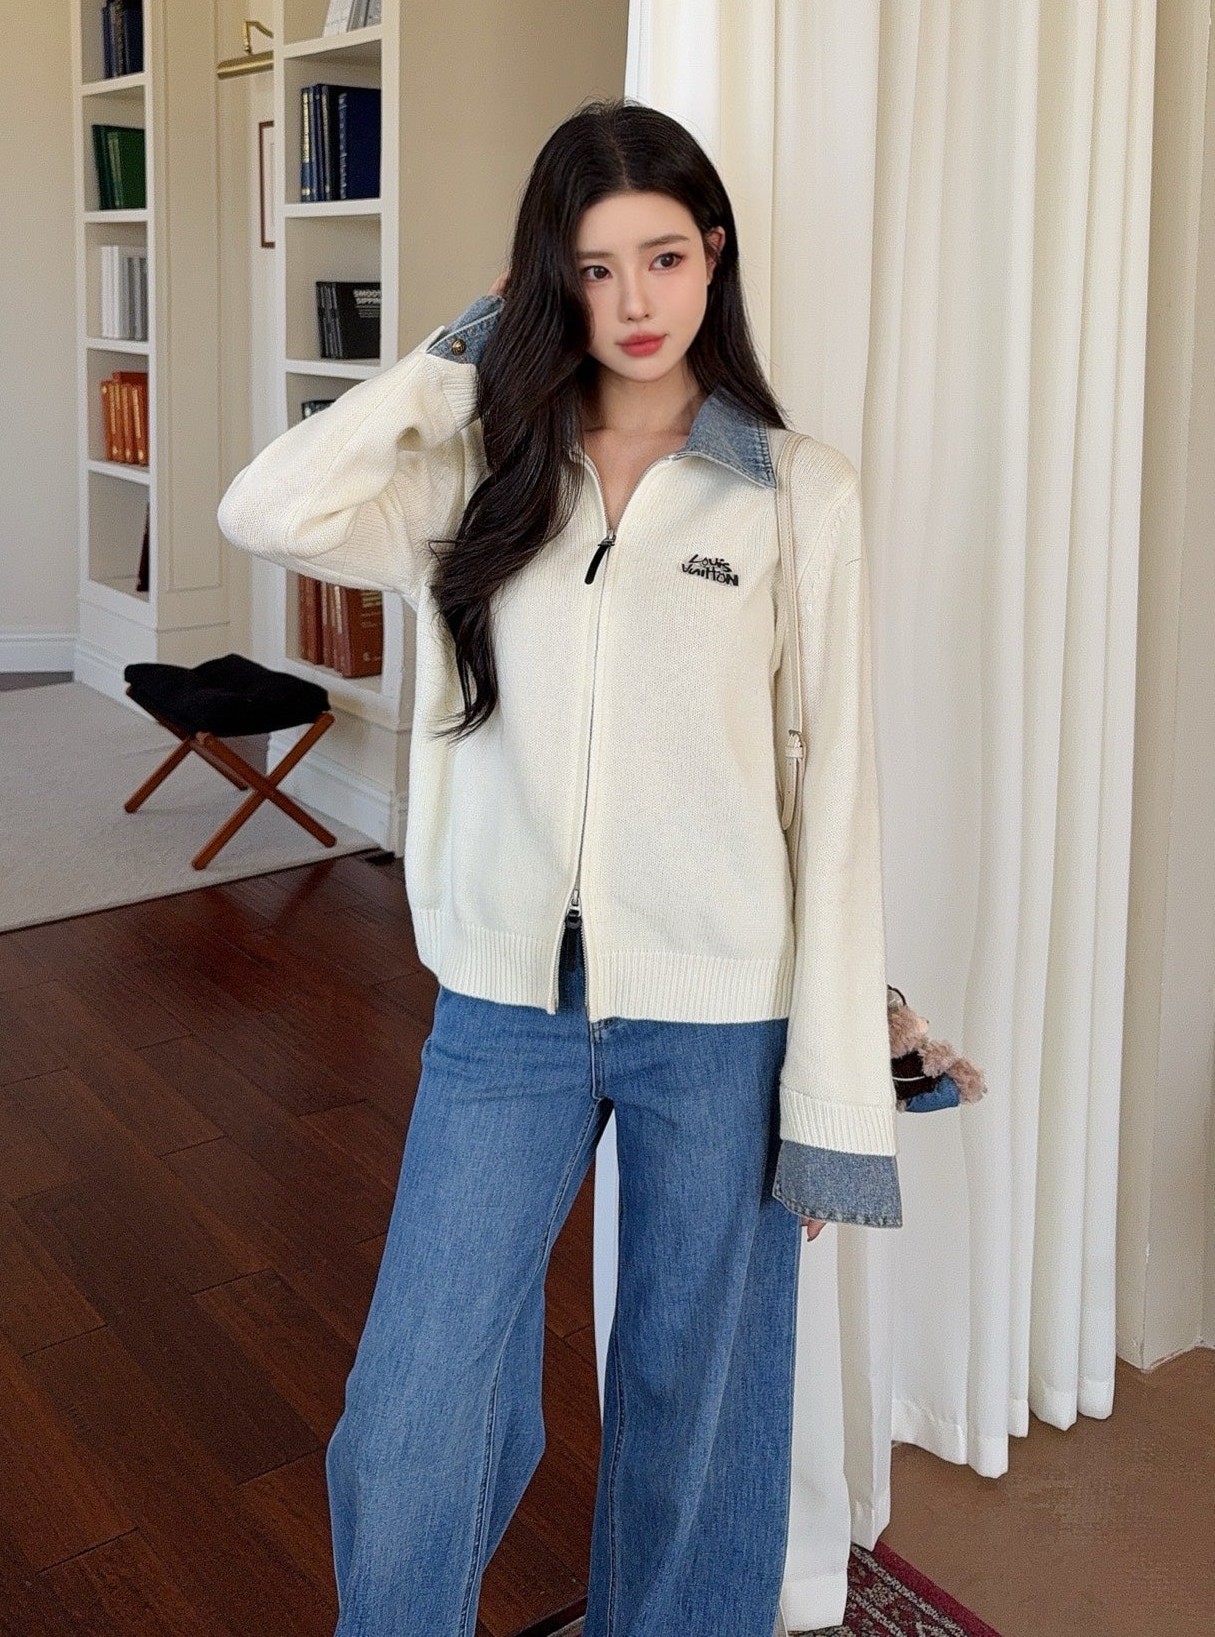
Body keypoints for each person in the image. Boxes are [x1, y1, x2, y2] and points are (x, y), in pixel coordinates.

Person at [217, 97, 902, 1637]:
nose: (635, 301)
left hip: (721, 1019)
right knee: (412, 1408)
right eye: (593, 269)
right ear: (550, 281)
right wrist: (457, 355)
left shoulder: (799, 493)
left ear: (713, 257)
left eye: (664, 257)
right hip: (507, 1007)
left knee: (696, 1409)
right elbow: (266, 508)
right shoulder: (482, 471)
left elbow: (839, 799)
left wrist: (833, 1100)